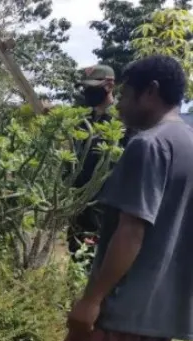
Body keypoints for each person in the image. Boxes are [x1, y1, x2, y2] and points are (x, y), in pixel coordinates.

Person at [48, 55, 193, 341]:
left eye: (127, 95)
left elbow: (131, 233)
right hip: (161, 318)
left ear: (151, 92)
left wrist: (91, 301)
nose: (121, 105)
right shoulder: (187, 142)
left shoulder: (148, 145)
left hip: (121, 311)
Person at [66, 64, 132, 262]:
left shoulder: (122, 123)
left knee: (97, 263)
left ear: (109, 85)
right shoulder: (83, 121)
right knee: (75, 257)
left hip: (105, 209)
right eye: (85, 87)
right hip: (78, 206)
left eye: (92, 87)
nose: (87, 92)